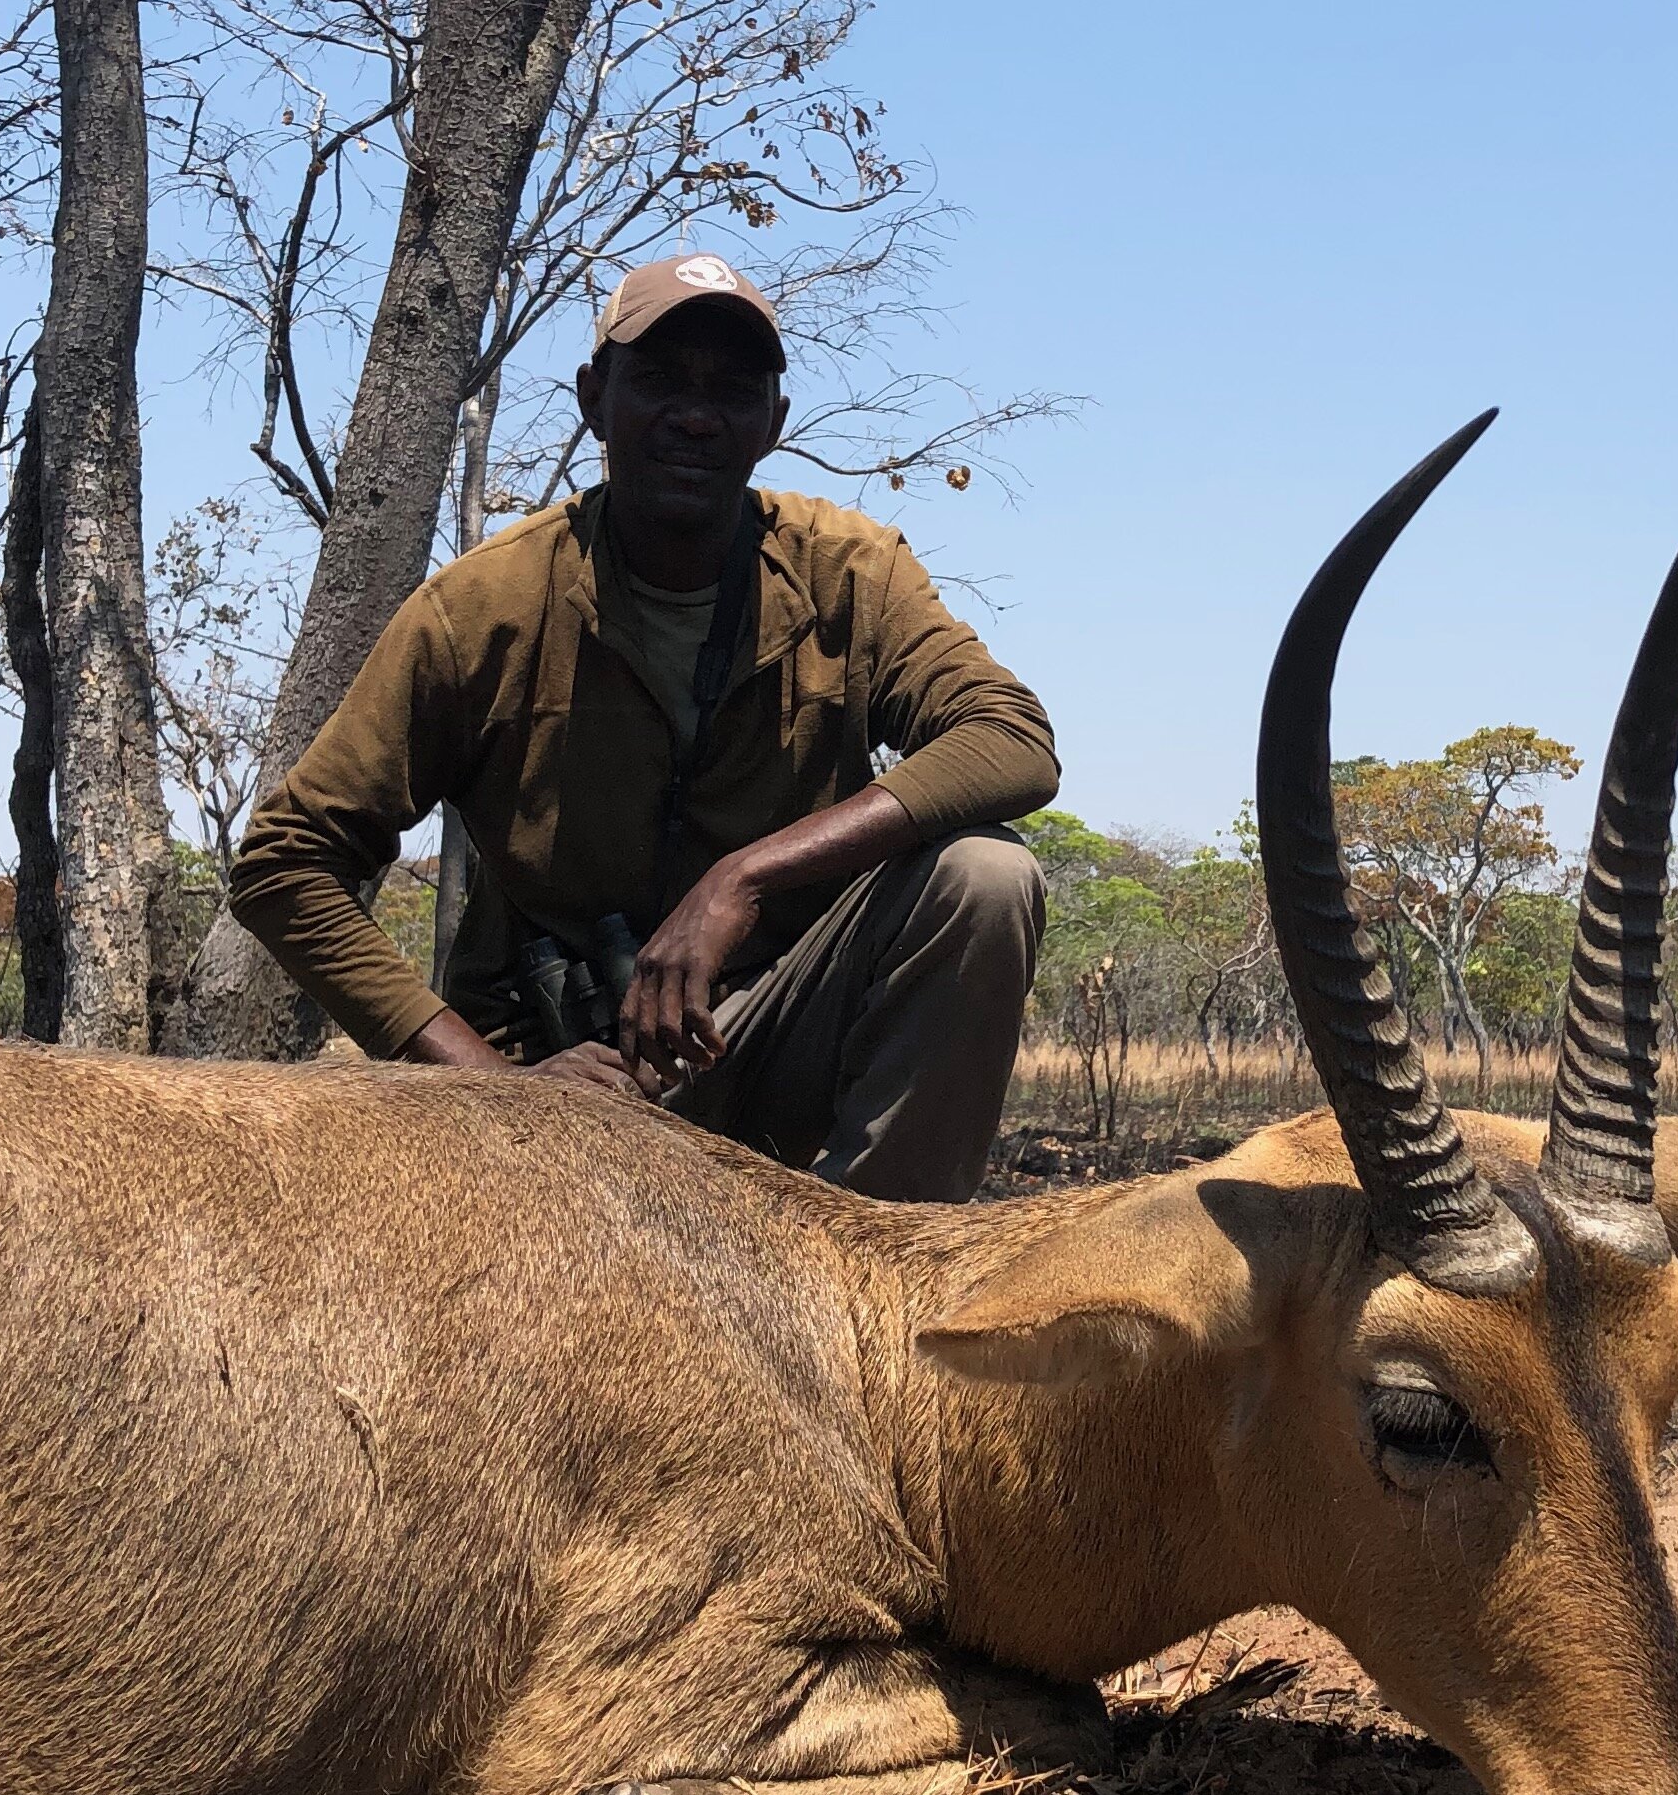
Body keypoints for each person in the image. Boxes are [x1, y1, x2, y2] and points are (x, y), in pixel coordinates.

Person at [231, 250, 1059, 1197]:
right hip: (554, 1084)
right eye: (659, 380)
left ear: (772, 424)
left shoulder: (850, 572)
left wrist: (741, 880)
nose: (695, 415)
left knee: (987, 877)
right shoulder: (480, 606)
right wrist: (486, 1085)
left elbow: (1011, 739)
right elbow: (285, 862)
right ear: (595, 397)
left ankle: (887, 1276)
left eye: (732, 391)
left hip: (767, 1041)